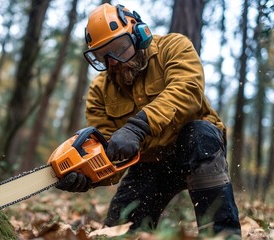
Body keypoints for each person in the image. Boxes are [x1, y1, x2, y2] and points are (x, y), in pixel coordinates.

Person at [56, 3, 242, 237]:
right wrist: (88, 174)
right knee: (118, 227)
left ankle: (223, 234)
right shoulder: (99, 92)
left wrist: (138, 127)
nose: (115, 62)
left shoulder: (173, 46)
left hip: (194, 146)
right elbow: (111, 157)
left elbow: (188, 89)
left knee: (200, 135)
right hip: (150, 162)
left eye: (120, 49)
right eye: (104, 56)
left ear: (140, 35)